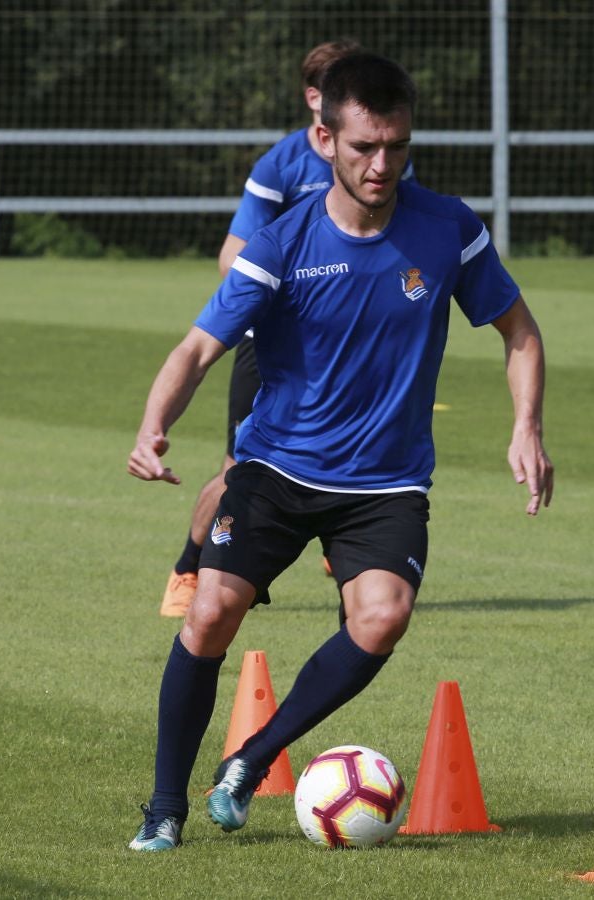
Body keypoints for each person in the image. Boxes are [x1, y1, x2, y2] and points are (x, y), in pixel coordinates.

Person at [126, 51, 553, 852]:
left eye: (396, 145)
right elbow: (196, 349)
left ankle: (251, 759)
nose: (382, 163)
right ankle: (163, 807)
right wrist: (155, 425)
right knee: (211, 611)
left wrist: (525, 424)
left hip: (386, 484)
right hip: (277, 468)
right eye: (363, 146)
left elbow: (519, 331)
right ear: (325, 138)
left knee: (383, 617)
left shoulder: (447, 227)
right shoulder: (281, 245)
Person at [162, 39, 415, 617]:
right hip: (273, 344)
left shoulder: (382, 157)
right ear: (317, 103)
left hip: (355, 346)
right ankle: (187, 568)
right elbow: (236, 255)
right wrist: (285, 295)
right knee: (239, 469)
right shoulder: (280, 165)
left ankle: (346, 539)